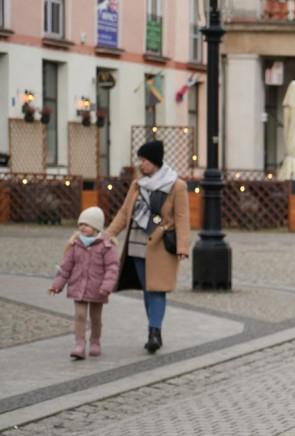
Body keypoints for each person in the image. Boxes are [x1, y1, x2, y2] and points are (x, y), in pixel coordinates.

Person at [105, 139, 190, 354]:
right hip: (136, 244)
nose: (140, 164)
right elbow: (125, 212)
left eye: (143, 160)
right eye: (139, 160)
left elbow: (181, 217)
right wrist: (109, 234)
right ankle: (153, 329)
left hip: (161, 245)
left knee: (157, 290)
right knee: (147, 289)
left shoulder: (176, 185)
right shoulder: (137, 184)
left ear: (154, 161)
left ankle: (155, 331)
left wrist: (183, 246)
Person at [48, 207, 120, 359]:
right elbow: (65, 267)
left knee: (95, 318)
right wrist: (57, 285)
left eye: (86, 224)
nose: (82, 227)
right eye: (80, 224)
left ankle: (95, 342)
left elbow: (112, 268)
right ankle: (79, 344)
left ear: (96, 227)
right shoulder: (75, 245)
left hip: (98, 289)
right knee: (80, 315)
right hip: (78, 287)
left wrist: (107, 287)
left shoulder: (107, 247)